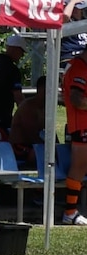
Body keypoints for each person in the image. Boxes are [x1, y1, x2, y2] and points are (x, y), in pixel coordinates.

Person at [61, 49, 87, 225]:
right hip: (81, 126)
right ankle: (70, 212)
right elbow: (77, 99)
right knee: (79, 167)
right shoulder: (79, 68)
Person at [9, 75, 47, 170]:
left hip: (33, 145)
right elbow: (30, 133)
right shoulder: (28, 106)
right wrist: (47, 147)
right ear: (40, 89)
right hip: (19, 147)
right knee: (41, 154)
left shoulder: (45, 108)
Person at [62, 0, 87, 64]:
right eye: (74, 8)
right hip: (69, 57)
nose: (75, 11)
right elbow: (65, 16)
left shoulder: (84, 22)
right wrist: (72, 2)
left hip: (84, 57)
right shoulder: (67, 22)